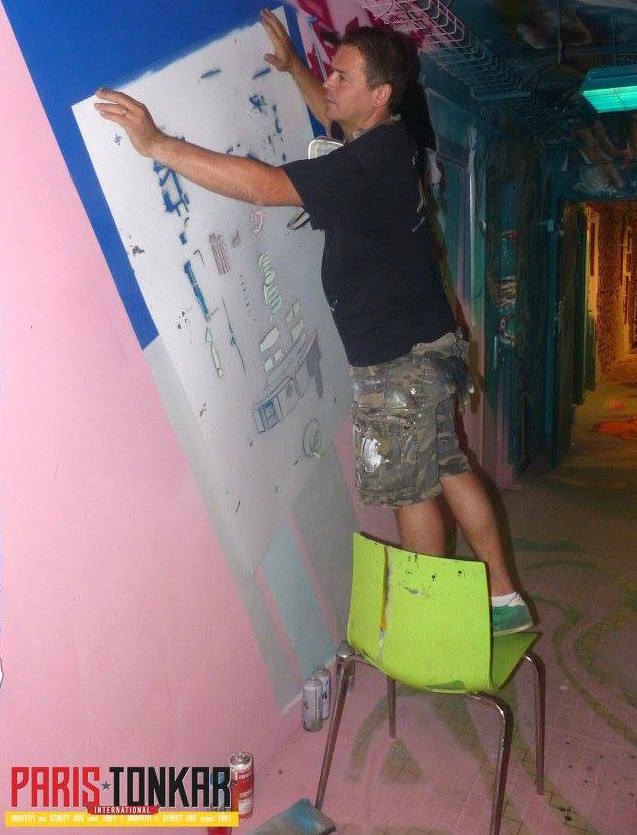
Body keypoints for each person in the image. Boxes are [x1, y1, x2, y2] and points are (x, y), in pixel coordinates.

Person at [95, 9, 532, 635]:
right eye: (330, 71)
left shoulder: (364, 165)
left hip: (397, 360)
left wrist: (158, 144)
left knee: (410, 490)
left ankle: (426, 624)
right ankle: (504, 596)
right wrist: (296, 69)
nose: (330, 82)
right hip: (430, 343)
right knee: (447, 463)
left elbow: (265, 188)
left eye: (342, 76)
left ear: (378, 95)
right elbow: (334, 118)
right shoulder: (389, 139)